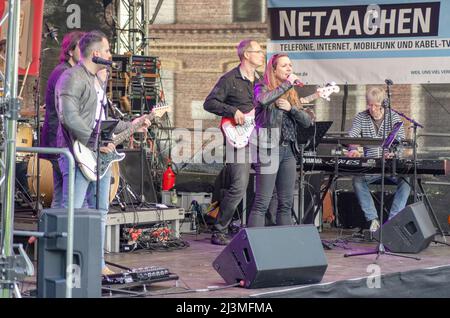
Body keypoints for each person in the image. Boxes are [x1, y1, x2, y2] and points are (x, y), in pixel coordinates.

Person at [55, 30, 150, 275]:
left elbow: (104, 120)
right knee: (73, 210)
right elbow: (69, 117)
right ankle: (69, 266)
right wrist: (96, 141)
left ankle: (96, 265)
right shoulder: (71, 77)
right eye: (108, 50)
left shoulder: (98, 80)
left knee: (100, 211)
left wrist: (133, 124)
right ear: (96, 53)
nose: (110, 55)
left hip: (99, 155)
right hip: (77, 153)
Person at [203, 39, 265, 245]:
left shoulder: (260, 81)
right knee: (239, 185)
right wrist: (233, 111)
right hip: (238, 137)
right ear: (246, 54)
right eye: (258, 51)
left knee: (266, 184)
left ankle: (259, 228)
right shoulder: (230, 79)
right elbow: (209, 103)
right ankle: (219, 228)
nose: (262, 54)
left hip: (259, 136)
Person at [247, 53, 314, 228]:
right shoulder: (261, 86)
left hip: (288, 151)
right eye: (284, 66)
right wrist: (287, 84)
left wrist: (292, 109)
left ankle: (285, 246)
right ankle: (256, 245)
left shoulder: (290, 92)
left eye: (290, 65)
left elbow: (307, 122)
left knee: (286, 203)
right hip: (269, 148)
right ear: (273, 69)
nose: (289, 68)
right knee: (263, 201)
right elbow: (262, 100)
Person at [347, 86, 410, 232]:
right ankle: (373, 220)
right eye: (370, 105)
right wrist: (353, 149)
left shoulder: (393, 117)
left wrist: (393, 154)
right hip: (371, 167)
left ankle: (393, 221)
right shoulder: (361, 117)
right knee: (357, 179)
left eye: (376, 105)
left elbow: (400, 142)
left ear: (383, 104)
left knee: (407, 180)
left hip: (390, 168)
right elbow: (352, 137)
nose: (372, 108)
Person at [40, 31, 85, 208]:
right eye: (81, 47)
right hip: (59, 142)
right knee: (66, 197)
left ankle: (53, 234)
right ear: (70, 51)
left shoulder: (67, 71)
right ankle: (59, 233)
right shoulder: (64, 73)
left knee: (61, 197)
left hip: (60, 142)